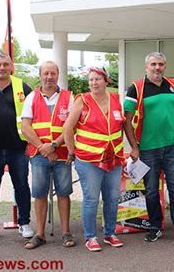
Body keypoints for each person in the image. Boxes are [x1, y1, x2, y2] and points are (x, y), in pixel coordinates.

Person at [124, 52, 174, 245]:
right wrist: (134, 147)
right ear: (146, 67)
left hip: (172, 148)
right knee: (151, 191)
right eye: (154, 64)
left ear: (165, 66)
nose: (157, 68)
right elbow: (127, 121)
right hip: (147, 149)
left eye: (161, 64)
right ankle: (155, 227)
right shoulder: (136, 88)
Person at [63, 67, 126, 252]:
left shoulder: (115, 99)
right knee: (91, 199)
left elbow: (120, 125)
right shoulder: (82, 100)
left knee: (112, 198)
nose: (93, 83)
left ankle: (109, 233)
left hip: (113, 158)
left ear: (106, 81)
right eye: (91, 79)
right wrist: (71, 151)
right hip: (88, 159)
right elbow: (68, 128)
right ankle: (90, 237)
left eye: (98, 79)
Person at [0, 52, 33, 241]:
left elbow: (33, 117)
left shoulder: (22, 86)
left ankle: (24, 223)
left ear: (11, 66)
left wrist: (29, 143)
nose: (2, 68)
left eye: (5, 64)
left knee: (22, 186)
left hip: (17, 148)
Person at [21, 61, 75, 249]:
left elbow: (71, 126)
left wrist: (53, 145)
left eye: (53, 73)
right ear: (40, 75)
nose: (49, 77)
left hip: (61, 154)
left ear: (58, 75)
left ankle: (66, 232)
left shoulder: (69, 97)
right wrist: (42, 147)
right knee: (40, 194)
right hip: (39, 155)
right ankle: (40, 234)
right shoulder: (31, 97)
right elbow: (25, 126)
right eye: (46, 73)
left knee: (64, 193)